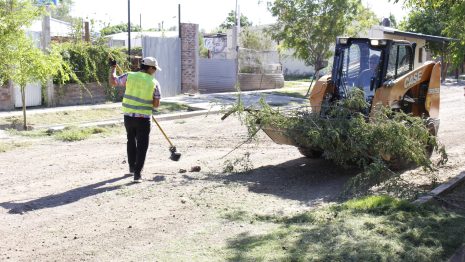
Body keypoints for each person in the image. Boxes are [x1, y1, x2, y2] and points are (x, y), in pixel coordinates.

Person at [109, 57, 162, 183]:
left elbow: (113, 82)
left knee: (131, 141)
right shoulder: (154, 82)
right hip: (143, 119)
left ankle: (132, 167)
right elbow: (156, 104)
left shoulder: (129, 76)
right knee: (142, 146)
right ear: (150, 68)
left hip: (128, 117)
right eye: (154, 68)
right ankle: (137, 174)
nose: (155, 71)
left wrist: (113, 68)